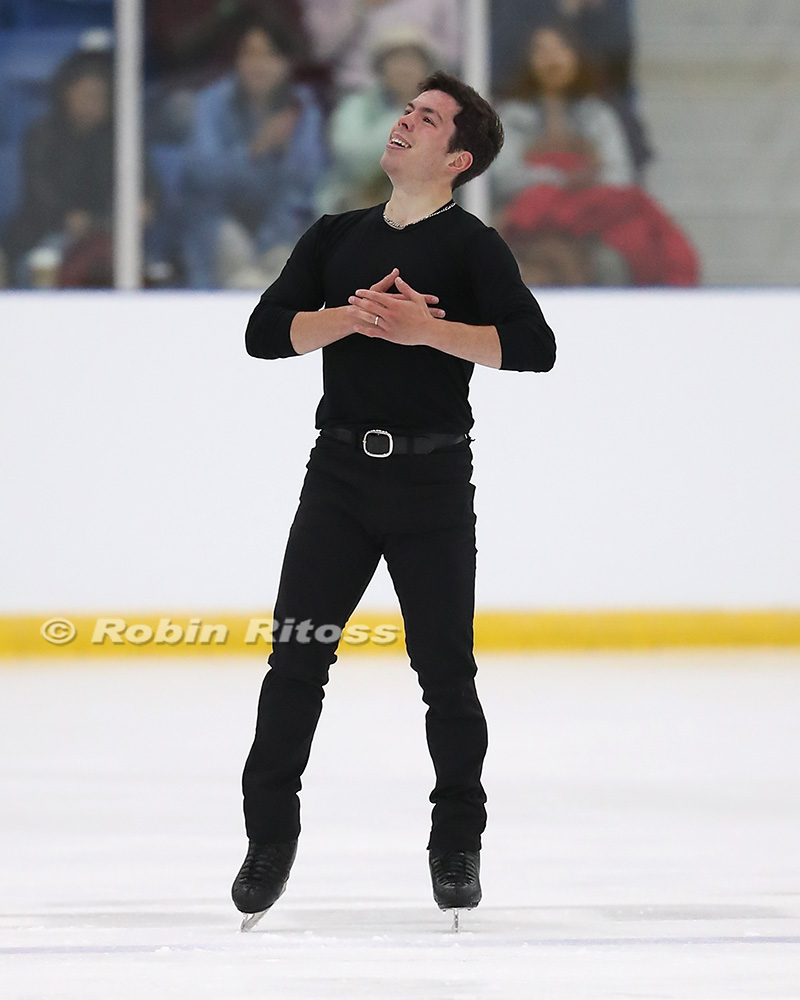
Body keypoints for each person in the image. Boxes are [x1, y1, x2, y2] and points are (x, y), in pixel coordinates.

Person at [231, 70, 556, 924]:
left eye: (427, 118)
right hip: (338, 478)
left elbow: (535, 346)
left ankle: (457, 843)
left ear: (457, 158)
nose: (403, 122)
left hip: (432, 484)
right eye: (406, 111)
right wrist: (350, 317)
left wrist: (427, 331)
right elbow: (264, 334)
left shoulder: (473, 247)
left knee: (445, 672)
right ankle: (269, 839)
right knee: (296, 657)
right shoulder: (336, 235)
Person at [179, 16, 325, 288]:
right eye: (249, 54)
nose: (258, 64)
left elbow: (308, 180)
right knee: (238, 262)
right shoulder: (211, 103)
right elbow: (201, 175)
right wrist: (254, 151)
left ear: (286, 62)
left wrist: (285, 154)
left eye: (270, 55)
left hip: (281, 227)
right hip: (217, 224)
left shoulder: (302, 106)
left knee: (288, 265)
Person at [493, 21, 636, 207]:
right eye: (541, 50)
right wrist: (561, 178)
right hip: (532, 215)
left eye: (561, 47)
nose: (552, 57)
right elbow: (502, 178)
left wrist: (589, 182)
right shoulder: (512, 116)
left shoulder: (598, 115)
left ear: (577, 57)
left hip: (593, 213)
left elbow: (620, 175)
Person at [315, 26, 438, 215]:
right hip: (355, 207)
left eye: (412, 59)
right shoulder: (355, 105)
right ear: (381, 67)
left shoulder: (442, 112)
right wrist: (406, 118)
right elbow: (352, 157)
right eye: (396, 59)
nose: (404, 67)